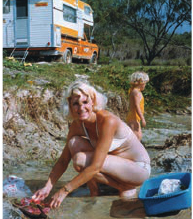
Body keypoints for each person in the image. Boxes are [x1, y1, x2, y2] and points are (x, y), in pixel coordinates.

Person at [32, 81, 151, 209]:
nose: (81, 108)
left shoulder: (107, 121)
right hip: (116, 166)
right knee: (74, 143)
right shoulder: (77, 125)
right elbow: (63, 161)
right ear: (70, 107)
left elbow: (95, 167)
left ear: (93, 102)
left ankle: (124, 187)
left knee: (80, 160)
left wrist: (65, 190)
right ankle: (95, 192)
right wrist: (48, 187)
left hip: (137, 169)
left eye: (85, 102)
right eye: (76, 104)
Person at [126, 71, 149, 141]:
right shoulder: (136, 92)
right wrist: (143, 118)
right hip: (134, 118)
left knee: (137, 137)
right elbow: (137, 106)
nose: (145, 85)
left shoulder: (134, 90)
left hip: (134, 117)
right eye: (145, 83)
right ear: (141, 83)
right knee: (137, 137)